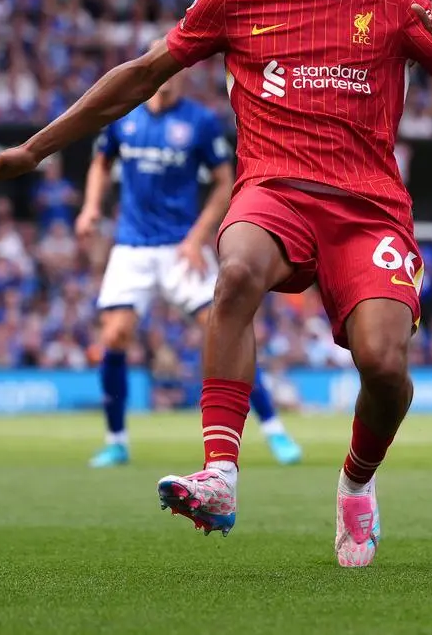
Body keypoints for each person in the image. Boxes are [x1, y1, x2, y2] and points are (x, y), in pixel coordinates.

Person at [0, 0, 432, 568]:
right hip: (273, 189)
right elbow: (140, 76)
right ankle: (219, 471)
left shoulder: (394, 1)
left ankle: (356, 483)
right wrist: (35, 149)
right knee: (236, 268)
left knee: (384, 363)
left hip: (368, 211)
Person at [76, 73, 302, 469]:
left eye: (174, 69)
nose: (167, 77)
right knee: (115, 335)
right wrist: (91, 206)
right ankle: (116, 441)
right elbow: (100, 162)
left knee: (226, 331)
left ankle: (274, 428)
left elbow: (223, 183)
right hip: (132, 246)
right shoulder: (124, 118)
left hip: (182, 248)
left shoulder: (199, 121)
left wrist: (197, 238)